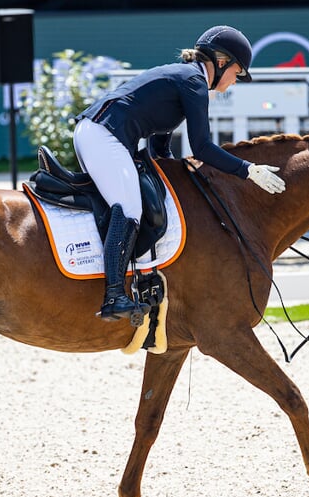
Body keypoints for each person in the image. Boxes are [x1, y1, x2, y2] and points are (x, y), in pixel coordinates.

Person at [74, 25, 286, 322]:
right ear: (221, 62)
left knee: (136, 201)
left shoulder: (185, 77)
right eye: (237, 73)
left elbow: (160, 145)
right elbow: (201, 147)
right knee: (130, 208)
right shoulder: (194, 82)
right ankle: (113, 296)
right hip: (104, 135)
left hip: (100, 133)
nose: (234, 82)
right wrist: (247, 170)